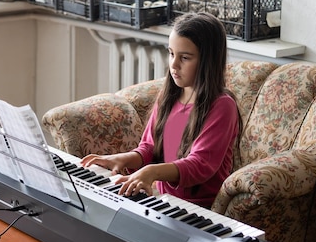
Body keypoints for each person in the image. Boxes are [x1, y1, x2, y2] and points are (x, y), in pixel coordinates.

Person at [80, 12, 241, 208]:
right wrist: (119, 159)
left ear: (208, 60)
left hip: (199, 209)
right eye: (172, 53)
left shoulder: (222, 106)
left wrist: (151, 172)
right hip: (163, 201)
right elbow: (149, 148)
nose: (173, 64)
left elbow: (200, 164)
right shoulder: (169, 97)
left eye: (185, 58)